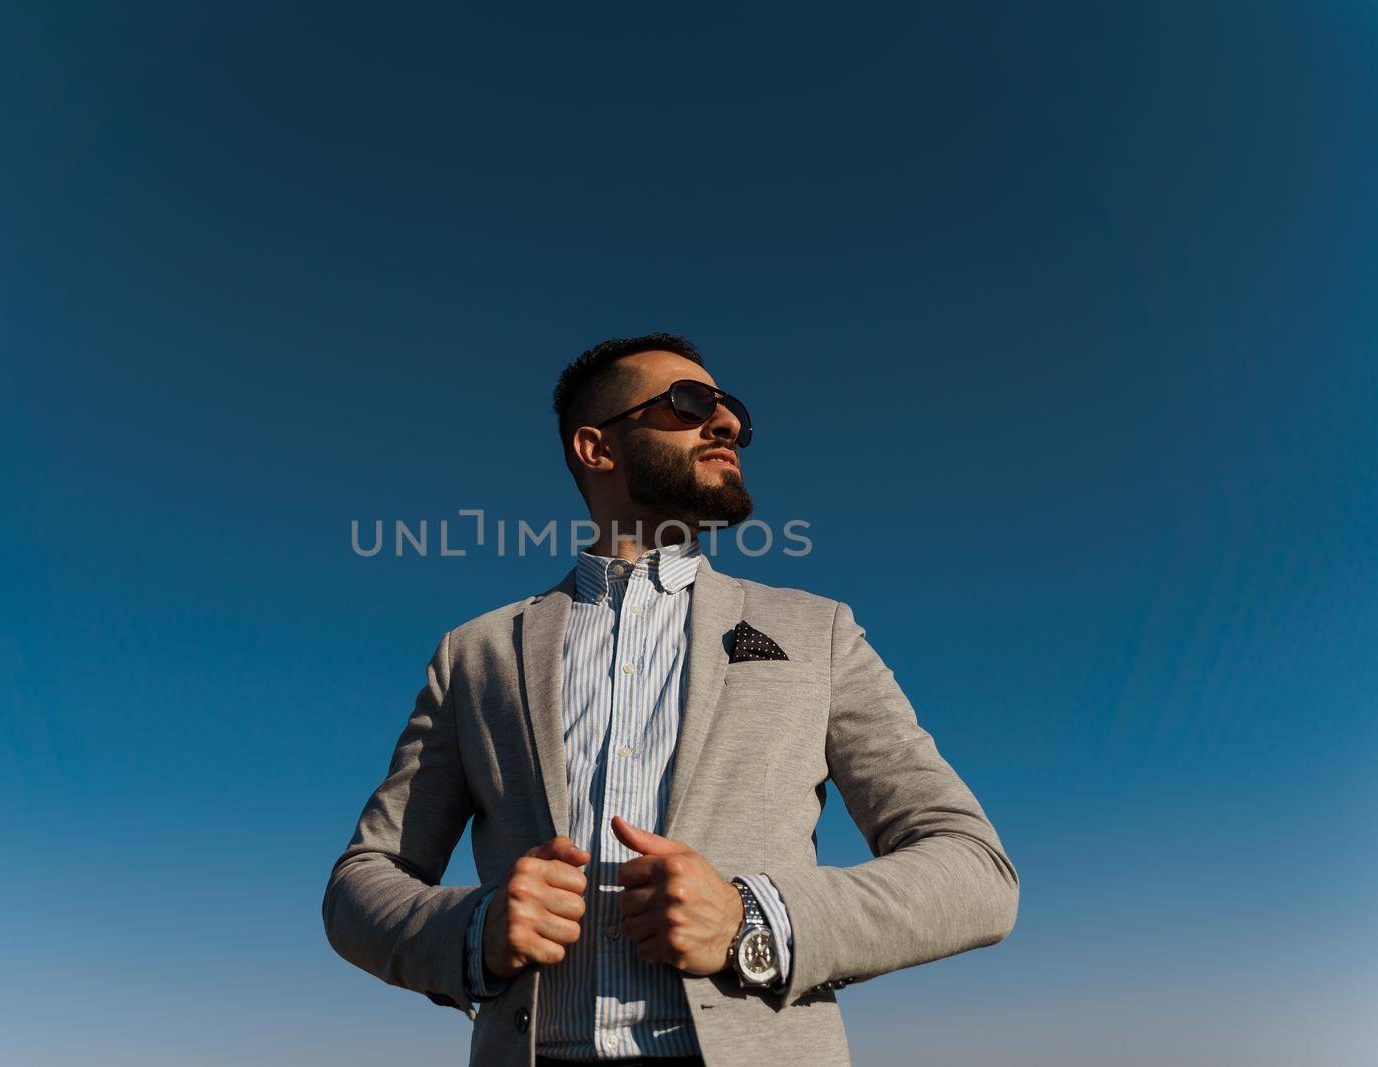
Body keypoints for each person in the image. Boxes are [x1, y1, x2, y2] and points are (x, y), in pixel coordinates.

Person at [323, 332, 1019, 1065]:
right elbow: (359, 887)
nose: (725, 424)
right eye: (689, 404)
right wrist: (475, 929)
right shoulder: (476, 654)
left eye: (732, 412)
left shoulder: (817, 631)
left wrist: (756, 918)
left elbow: (977, 870)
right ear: (597, 448)